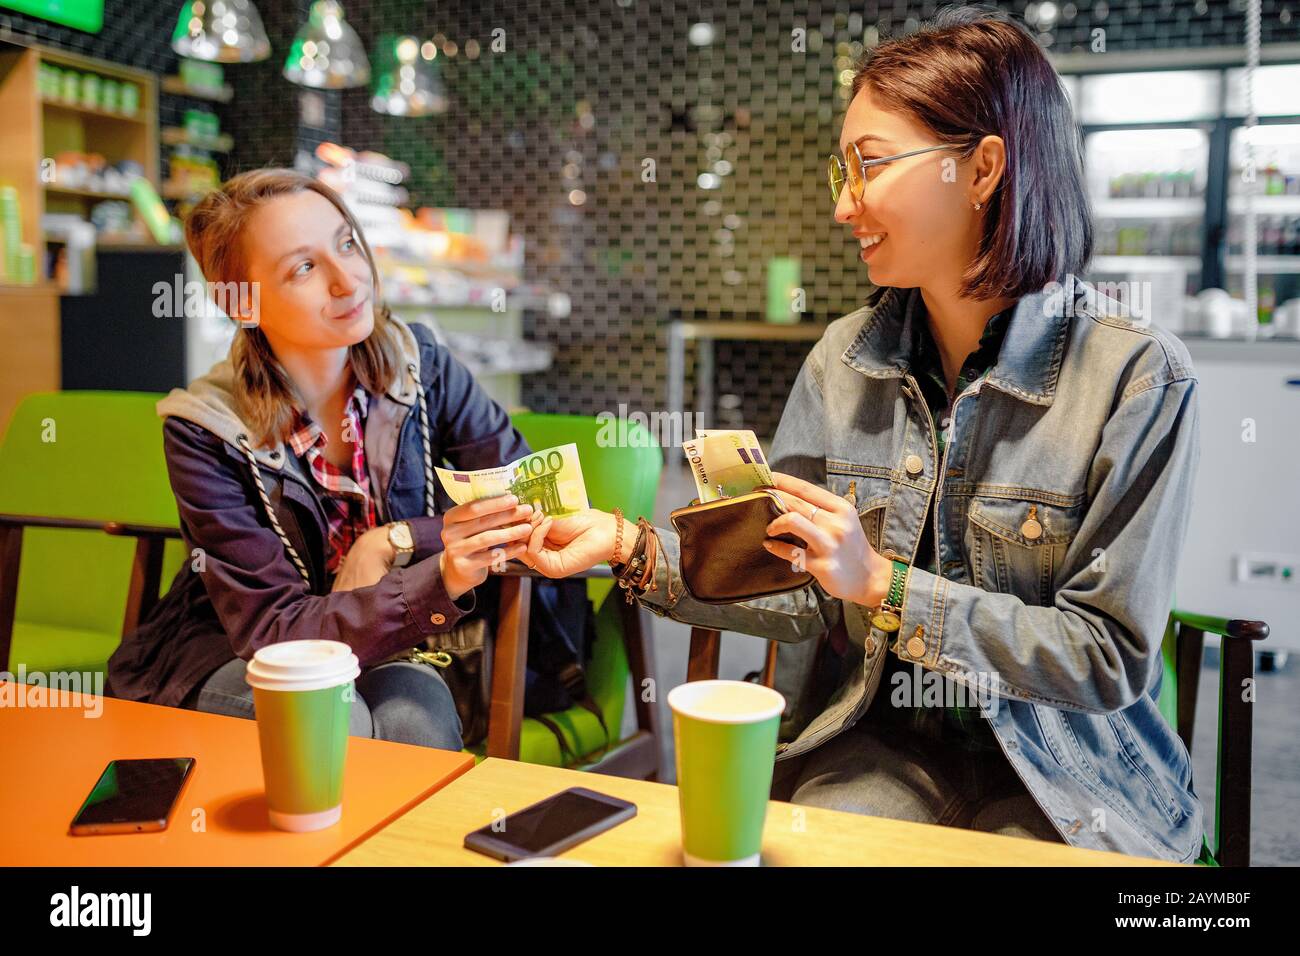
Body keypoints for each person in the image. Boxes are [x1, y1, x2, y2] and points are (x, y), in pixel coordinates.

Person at [520, 5, 1204, 863]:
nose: (845, 206)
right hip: (878, 746)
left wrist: (881, 583)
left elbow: (1108, 656)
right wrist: (624, 544)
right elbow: (793, 576)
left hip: (1069, 773)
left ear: (982, 168)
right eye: (841, 172)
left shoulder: (1137, 376)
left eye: (869, 166)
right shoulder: (843, 358)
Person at [108, 168, 549, 750]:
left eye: (346, 243)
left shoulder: (423, 367)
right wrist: (437, 569)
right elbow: (272, 629)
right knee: (332, 718)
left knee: (416, 720)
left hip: (400, 639)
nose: (349, 281)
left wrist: (393, 541)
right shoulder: (205, 429)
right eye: (305, 268)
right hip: (235, 652)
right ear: (240, 304)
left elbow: (526, 491)